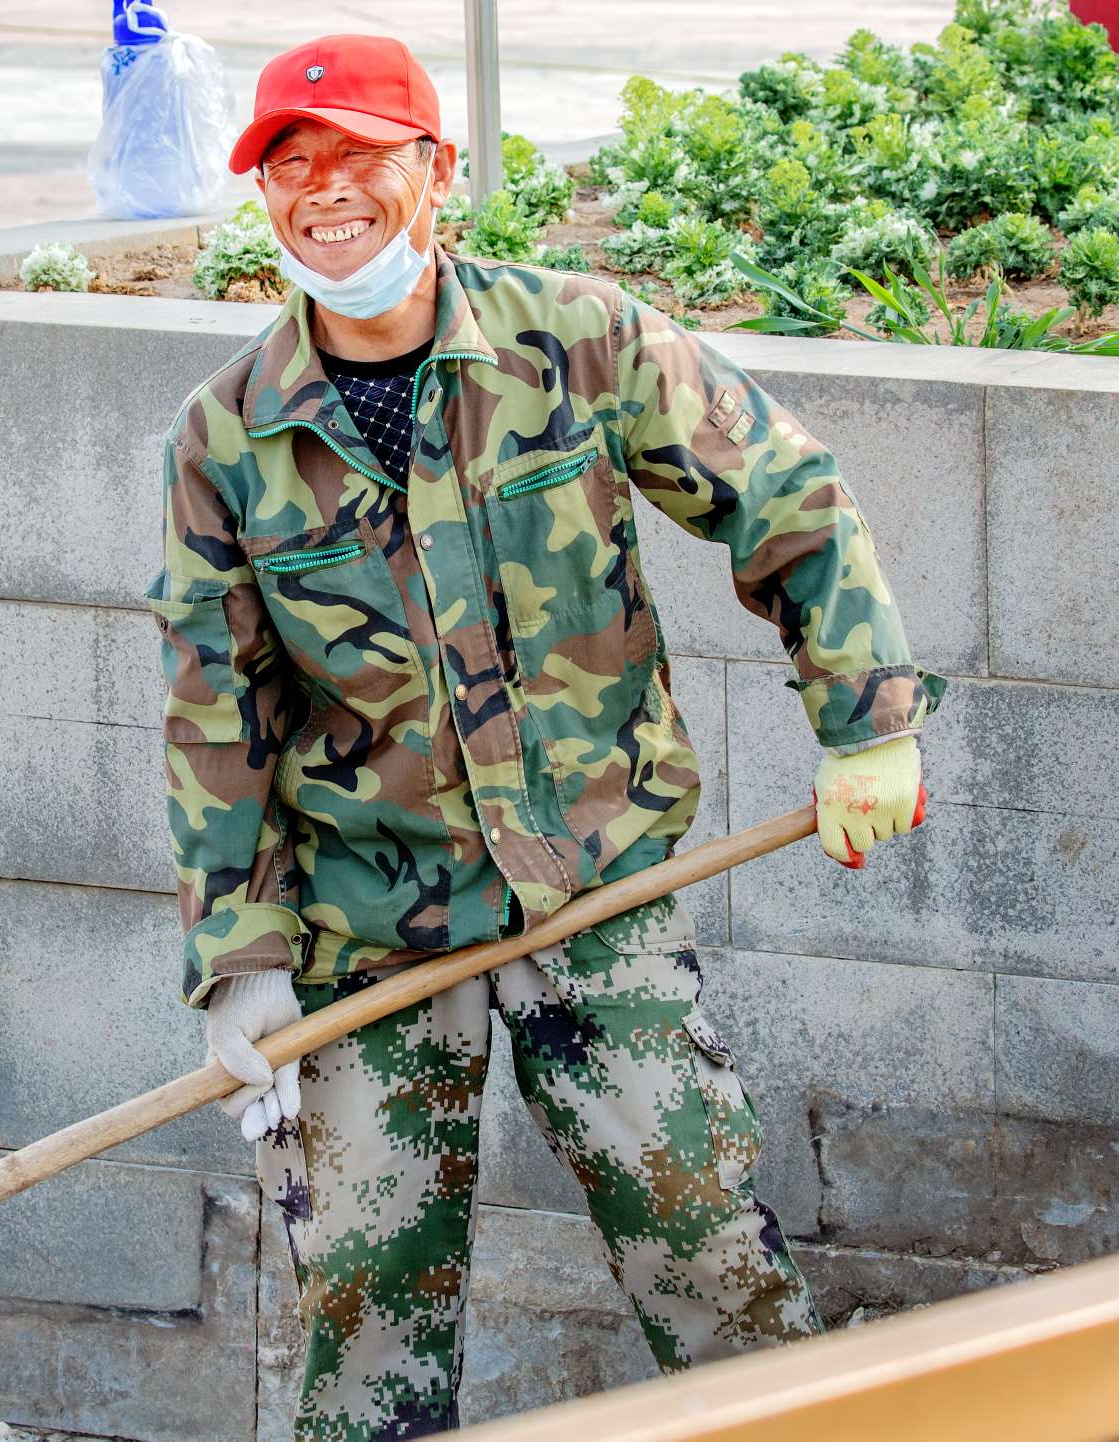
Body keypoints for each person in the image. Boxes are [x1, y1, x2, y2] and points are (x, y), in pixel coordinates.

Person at [144, 33, 944, 1440]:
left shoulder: (571, 339)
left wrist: (863, 722)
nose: (325, 192)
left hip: (595, 890)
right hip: (369, 927)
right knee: (361, 1313)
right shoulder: (222, 439)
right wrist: (239, 961)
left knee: (703, 1249)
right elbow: (217, 706)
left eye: (361, 157)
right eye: (292, 165)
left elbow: (785, 492)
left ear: (436, 170)